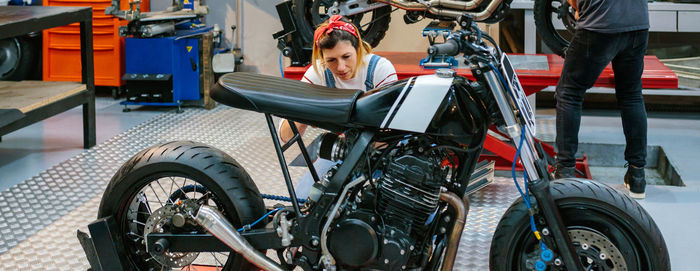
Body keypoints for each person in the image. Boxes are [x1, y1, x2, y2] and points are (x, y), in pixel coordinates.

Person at [279, 15, 398, 197]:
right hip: (344, 149)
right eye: (331, 60)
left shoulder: (380, 69)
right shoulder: (318, 73)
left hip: (383, 149)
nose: (341, 67)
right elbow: (286, 135)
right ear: (322, 58)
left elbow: (394, 129)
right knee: (305, 199)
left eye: (346, 56)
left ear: (358, 48)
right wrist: (303, 110)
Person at [553, 0, 650, 199]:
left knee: (569, 93)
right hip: (638, 25)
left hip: (600, 26)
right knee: (631, 95)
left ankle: (565, 171)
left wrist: (577, 8)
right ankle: (637, 175)